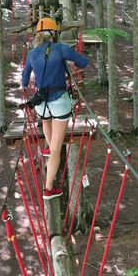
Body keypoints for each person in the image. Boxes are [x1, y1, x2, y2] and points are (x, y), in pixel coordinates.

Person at [21, 18, 89, 200]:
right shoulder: (60, 49)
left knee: (46, 121)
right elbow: (83, 63)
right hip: (59, 101)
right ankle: (49, 188)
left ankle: (49, 148)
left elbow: (24, 79)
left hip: (41, 102)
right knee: (57, 150)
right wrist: (70, 62)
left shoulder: (32, 53)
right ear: (54, 34)